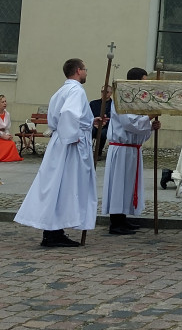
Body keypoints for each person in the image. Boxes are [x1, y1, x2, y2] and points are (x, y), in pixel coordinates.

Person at [14, 59, 99, 248]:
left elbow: (62, 116)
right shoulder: (76, 90)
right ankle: (54, 231)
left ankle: (53, 230)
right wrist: (74, 135)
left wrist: (89, 121)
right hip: (69, 146)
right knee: (66, 186)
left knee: (57, 186)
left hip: (59, 143)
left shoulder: (61, 90)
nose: (86, 72)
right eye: (85, 69)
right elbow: (69, 113)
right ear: (78, 71)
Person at [101, 67, 160, 235]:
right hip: (121, 150)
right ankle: (115, 222)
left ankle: (123, 217)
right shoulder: (121, 97)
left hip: (132, 150)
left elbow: (138, 128)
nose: (146, 84)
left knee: (128, 185)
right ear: (134, 80)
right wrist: (148, 117)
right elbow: (129, 123)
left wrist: (151, 127)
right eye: (144, 81)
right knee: (119, 185)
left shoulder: (137, 98)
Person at [89, 85, 113, 154]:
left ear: (111, 93)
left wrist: (105, 123)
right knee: (91, 130)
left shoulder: (113, 105)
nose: (104, 93)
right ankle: (88, 151)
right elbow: (89, 116)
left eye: (107, 92)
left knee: (103, 133)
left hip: (106, 127)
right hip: (94, 125)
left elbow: (114, 119)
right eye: (102, 91)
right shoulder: (93, 103)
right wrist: (94, 122)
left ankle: (98, 152)